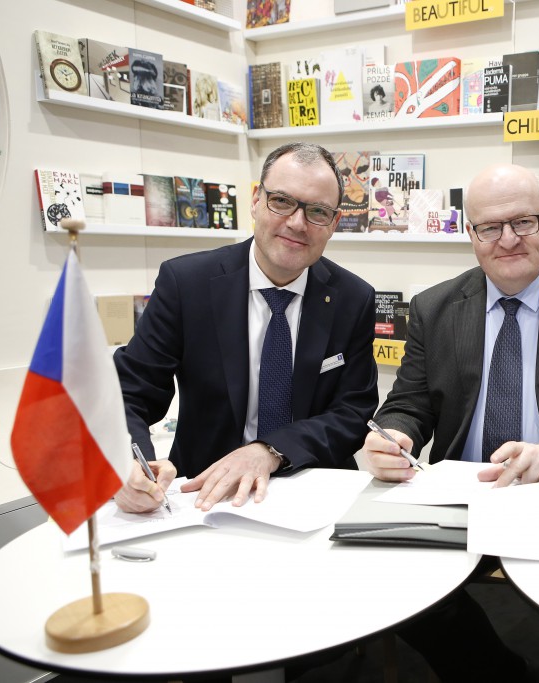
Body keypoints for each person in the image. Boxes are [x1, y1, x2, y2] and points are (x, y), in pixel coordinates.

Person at [364, 163, 539, 682]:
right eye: (491, 227)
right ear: (470, 234)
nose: (509, 240)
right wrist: (397, 434)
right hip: (462, 496)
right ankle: (496, 670)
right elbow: (409, 403)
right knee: (382, 579)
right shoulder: (434, 307)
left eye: (523, 222)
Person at [113, 142, 378, 514]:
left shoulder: (354, 298)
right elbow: (130, 392)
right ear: (256, 201)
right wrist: (128, 462)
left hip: (313, 491)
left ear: (334, 224)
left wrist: (270, 451)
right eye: (282, 201)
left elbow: (353, 412)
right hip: (205, 492)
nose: (297, 223)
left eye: (317, 211)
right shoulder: (186, 283)